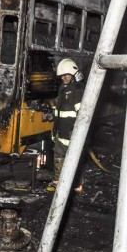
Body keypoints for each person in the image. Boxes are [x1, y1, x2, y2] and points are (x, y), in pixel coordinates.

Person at [47, 58, 85, 194]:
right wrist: (54, 125)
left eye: (67, 75)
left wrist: (77, 132)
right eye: (63, 76)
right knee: (58, 155)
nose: (65, 78)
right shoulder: (63, 89)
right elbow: (59, 112)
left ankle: (76, 185)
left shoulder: (77, 91)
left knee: (74, 158)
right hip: (61, 132)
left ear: (74, 75)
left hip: (71, 133)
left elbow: (83, 114)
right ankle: (57, 182)